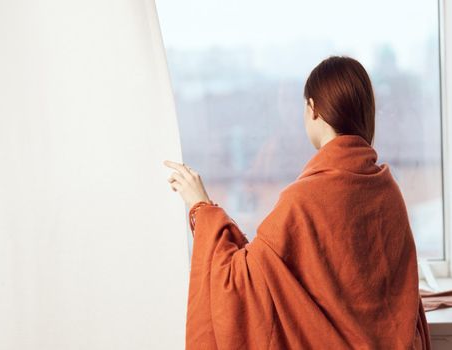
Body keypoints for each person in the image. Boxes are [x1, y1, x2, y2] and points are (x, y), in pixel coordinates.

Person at [163, 55, 431, 349]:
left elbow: (238, 283)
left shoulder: (302, 200)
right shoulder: (387, 190)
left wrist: (202, 209)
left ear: (313, 109)